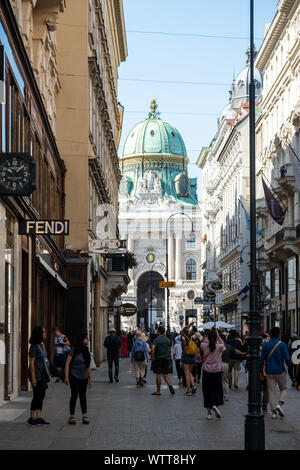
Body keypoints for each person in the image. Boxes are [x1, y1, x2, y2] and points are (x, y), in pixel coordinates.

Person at [260, 326, 290, 419]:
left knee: (271, 391)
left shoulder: (265, 345)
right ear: (279, 334)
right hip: (280, 370)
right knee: (283, 389)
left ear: (270, 334)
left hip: (269, 371)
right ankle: (279, 404)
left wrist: (261, 371)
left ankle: (273, 412)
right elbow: (287, 359)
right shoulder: (282, 345)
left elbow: (261, 360)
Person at [64, 333, 92, 425]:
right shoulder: (73, 350)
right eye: (86, 338)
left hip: (84, 377)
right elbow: (67, 363)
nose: (88, 340)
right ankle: (72, 416)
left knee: (83, 396)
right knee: (74, 395)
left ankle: (84, 416)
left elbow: (88, 366)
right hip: (74, 375)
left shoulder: (86, 351)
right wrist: (66, 377)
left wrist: (90, 379)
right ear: (81, 339)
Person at [27, 326, 51, 426]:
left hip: (42, 374)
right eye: (44, 332)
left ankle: (39, 417)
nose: (45, 334)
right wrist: (33, 378)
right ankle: (31, 418)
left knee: (41, 395)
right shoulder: (34, 346)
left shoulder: (42, 345)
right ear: (39, 334)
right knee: (36, 395)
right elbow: (31, 363)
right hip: (36, 374)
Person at [200, 329, 226, 420]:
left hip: (206, 371)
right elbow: (224, 346)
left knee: (207, 391)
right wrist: (218, 337)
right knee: (216, 389)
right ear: (216, 338)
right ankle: (214, 404)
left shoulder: (203, 345)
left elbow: (203, 341)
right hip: (217, 371)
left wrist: (208, 336)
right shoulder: (219, 346)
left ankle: (209, 413)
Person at [220, 333, 245, 401]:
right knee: (225, 380)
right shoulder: (228, 346)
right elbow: (235, 351)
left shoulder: (216, 346)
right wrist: (242, 353)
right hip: (227, 363)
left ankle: (218, 394)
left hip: (217, 364)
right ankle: (226, 395)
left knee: (218, 380)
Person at [151, 326, 175, 396]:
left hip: (158, 358)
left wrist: (153, 357)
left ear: (158, 332)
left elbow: (152, 349)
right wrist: (168, 356)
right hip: (165, 359)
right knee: (165, 374)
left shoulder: (156, 340)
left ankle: (158, 391)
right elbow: (170, 350)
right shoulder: (168, 340)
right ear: (164, 332)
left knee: (158, 374)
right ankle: (170, 385)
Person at [181, 326, 197, 396]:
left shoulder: (183, 337)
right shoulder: (192, 338)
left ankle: (189, 389)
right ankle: (193, 385)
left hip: (186, 355)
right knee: (190, 372)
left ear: (184, 332)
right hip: (192, 356)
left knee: (186, 373)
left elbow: (184, 346)